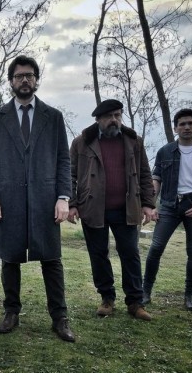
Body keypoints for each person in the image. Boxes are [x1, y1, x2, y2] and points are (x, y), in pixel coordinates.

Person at [0, 55, 75, 342]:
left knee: (52, 259)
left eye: (30, 75)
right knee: (9, 257)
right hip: (8, 199)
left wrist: (63, 197)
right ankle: (11, 311)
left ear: (36, 80)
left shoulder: (53, 116)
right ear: (11, 81)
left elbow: (63, 159)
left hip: (45, 200)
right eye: (19, 75)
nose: (25, 80)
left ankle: (59, 317)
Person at [68, 99, 155, 321]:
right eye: (109, 116)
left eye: (117, 115)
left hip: (126, 208)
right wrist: (72, 204)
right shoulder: (82, 142)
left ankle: (135, 302)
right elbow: (70, 175)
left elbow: (145, 173)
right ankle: (107, 298)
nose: (114, 120)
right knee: (99, 255)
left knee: (130, 253)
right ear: (98, 119)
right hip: (92, 207)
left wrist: (148, 204)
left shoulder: (134, 141)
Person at [143, 108, 192, 312]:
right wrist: (152, 204)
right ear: (175, 128)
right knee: (156, 248)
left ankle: (189, 296)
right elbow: (156, 179)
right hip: (169, 205)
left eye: (190, 123)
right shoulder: (164, 152)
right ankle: (145, 292)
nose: (187, 127)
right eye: (182, 124)